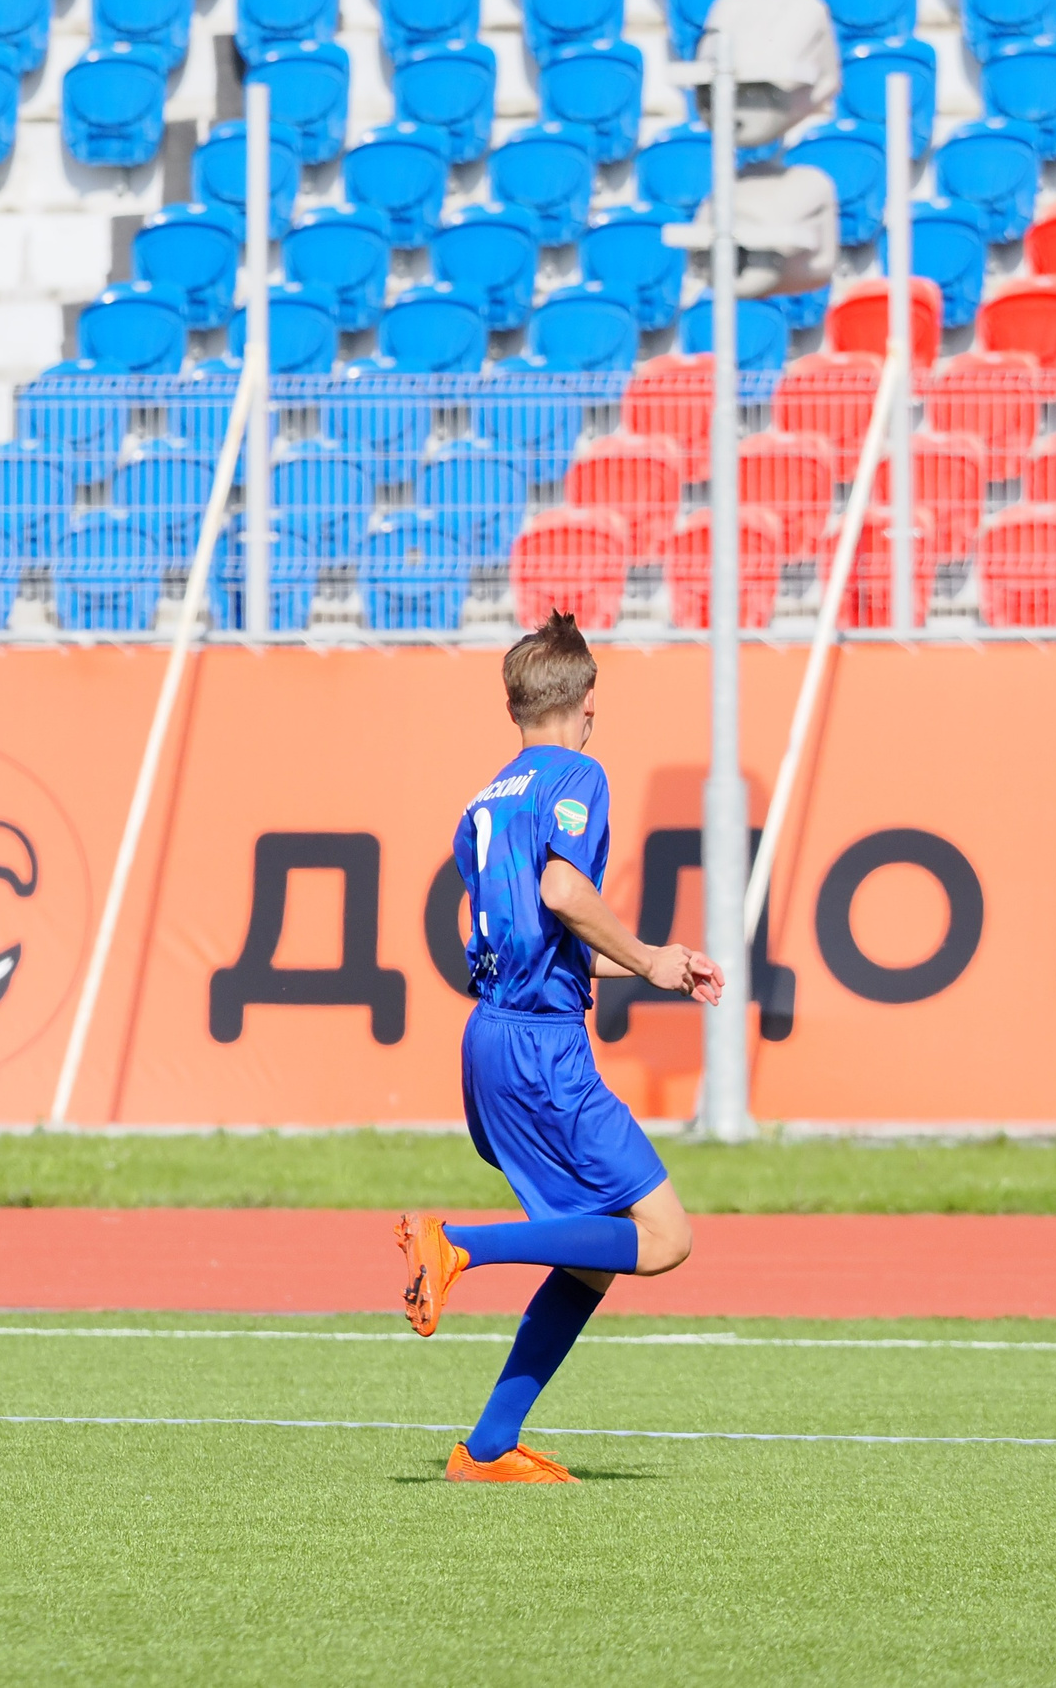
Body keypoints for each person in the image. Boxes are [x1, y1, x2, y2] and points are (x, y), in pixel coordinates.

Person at [397, 612, 723, 1483]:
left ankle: (491, 1446)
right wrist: (651, 955)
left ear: (513, 707)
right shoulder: (578, 773)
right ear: (582, 703)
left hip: (491, 1040)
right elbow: (565, 888)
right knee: (663, 1237)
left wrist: (653, 966)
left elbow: (534, 934)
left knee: (590, 1255)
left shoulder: (482, 803)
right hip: (543, 1050)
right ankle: (457, 1242)